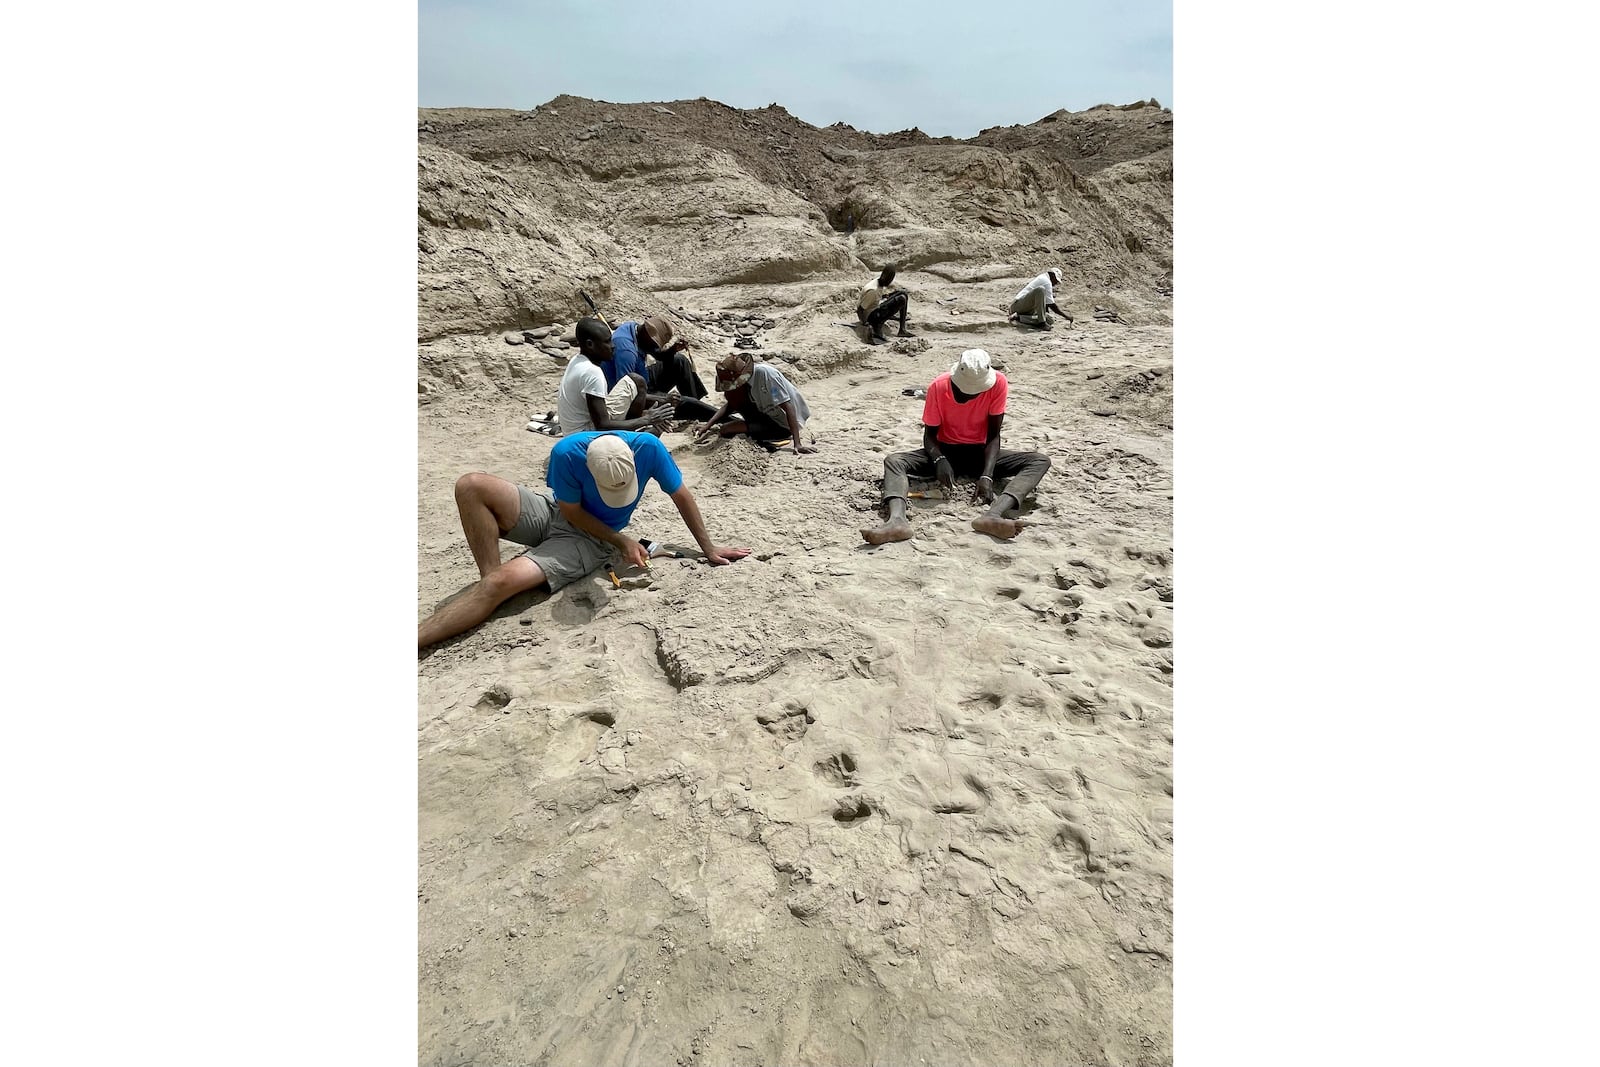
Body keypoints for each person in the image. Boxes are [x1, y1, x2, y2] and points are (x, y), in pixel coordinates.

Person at [418, 431, 752, 647]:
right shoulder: (566, 453)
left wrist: (708, 548)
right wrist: (623, 541)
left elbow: (681, 494)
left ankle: (488, 592)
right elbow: (572, 511)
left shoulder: (649, 449)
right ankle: (488, 583)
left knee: (501, 583)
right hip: (559, 514)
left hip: (591, 541)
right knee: (471, 485)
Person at [861, 349, 1051, 544]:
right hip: (945, 451)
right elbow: (929, 436)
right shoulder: (938, 386)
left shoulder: (998, 383)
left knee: (1039, 461)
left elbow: (994, 436)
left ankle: (994, 514)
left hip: (980, 454)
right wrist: (939, 459)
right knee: (894, 461)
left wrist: (987, 475)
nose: (970, 395)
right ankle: (897, 521)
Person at [557, 318, 673, 435]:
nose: (613, 346)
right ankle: (632, 438)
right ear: (590, 345)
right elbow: (602, 425)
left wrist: (645, 416)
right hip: (583, 435)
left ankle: (632, 433)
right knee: (655, 431)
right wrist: (647, 419)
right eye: (607, 342)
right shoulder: (593, 372)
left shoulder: (577, 360)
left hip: (578, 429)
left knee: (637, 381)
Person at [695, 353, 817, 455]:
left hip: (783, 424)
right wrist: (707, 426)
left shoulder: (766, 376)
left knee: (726, 429)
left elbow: (788, 407)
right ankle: (752, 427)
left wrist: (797, 443)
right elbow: (730, 405)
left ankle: (771, 434)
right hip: (766, 413)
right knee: (731, 398)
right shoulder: (747, 384)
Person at [604, 315, 710, 401]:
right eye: (655, 344)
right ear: (646, 335)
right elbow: (624, 393)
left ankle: (694, 402)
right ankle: (692, 407)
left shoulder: (634, 328)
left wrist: (673, 349)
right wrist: (662, 399)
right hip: (631, 392)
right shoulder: (626, 352)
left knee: (679, 360)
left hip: (641, 376)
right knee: (678, 401)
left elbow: (657, 355)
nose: (655, 347)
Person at [857, 266, 913, 345]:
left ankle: (902, 329)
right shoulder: (873, 291)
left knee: (903, 293)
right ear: (883, 276)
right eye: (889, 279)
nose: (889, 282)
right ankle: (877, 326)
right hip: (872, 317)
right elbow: (860, 309)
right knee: (901, 299)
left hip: (875, 308)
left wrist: (886, 296)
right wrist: (865, 323)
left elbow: (875, 299)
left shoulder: (878, 281)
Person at [1008, 267, 1073, 329]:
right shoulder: (1046, 281)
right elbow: (1052, 306)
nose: (1055, 283)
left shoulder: (1045, 279)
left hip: (1027, 309)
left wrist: (1045, 315)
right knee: (1040, 290)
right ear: (1052, 275)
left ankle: (1019, 318)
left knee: (1050, 320)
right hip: (1018, 306)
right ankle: (1042, 323)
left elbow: (1046, 304)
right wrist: (1066, 316)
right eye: (1056, 280)